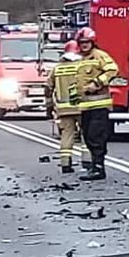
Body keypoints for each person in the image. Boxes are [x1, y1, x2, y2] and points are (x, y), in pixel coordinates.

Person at [74, 28, 120, 180]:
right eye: (81, 43)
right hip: (85, 106)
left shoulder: (99, 55)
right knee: (87, 137)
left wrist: (97, 83)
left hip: (99, 105)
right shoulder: (80, 59)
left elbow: (113, 70)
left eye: (86, 42)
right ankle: (95, 166)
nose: (84, 45)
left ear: (92, 42)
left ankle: (99, 168)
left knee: (96, 136)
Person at [48, 42, 85, 173]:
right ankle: (87, 162)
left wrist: (49, 106)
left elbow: (48, 86)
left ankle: (65, 163)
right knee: (85, 134)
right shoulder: (81, 66)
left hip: (63, 109)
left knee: (67, 134)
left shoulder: (57, 68)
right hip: (81, 106)